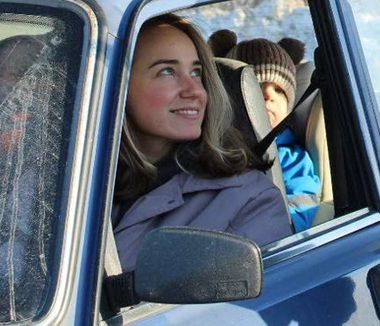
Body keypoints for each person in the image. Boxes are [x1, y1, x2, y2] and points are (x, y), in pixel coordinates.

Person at [112, 14, 292, 272]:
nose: (195, 90)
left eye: (196, 72)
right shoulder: (69, 178)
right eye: (167, 72)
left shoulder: (250, 200)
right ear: (116, 84)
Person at [227, 36, 321, 232]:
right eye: (258, 87)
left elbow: (301, 208)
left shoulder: (292, 158)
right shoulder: (211, 149)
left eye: (278, 90)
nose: (269, 96)